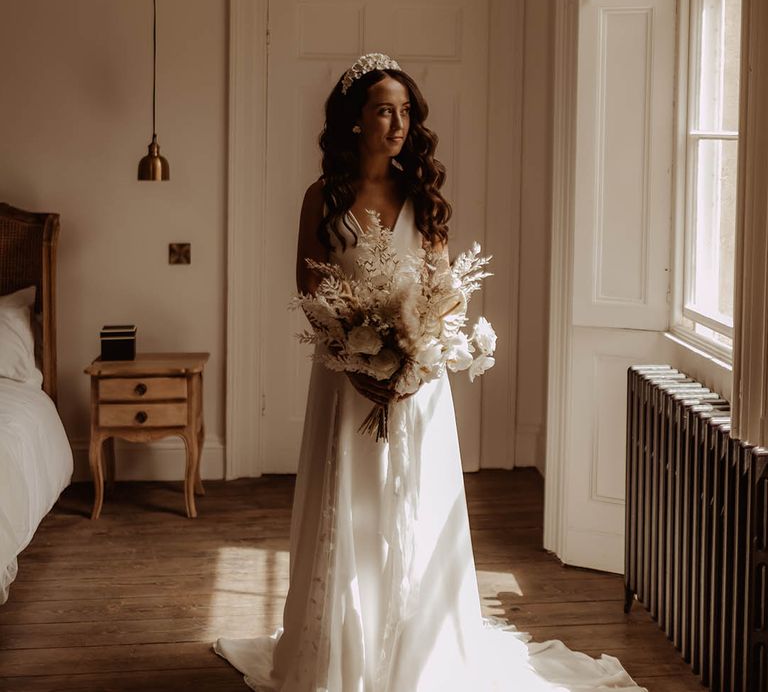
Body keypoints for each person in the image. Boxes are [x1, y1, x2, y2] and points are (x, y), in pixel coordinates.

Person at [215, 52, 645, 692]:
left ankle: (420, 651)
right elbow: (309, 290)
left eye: (405, 111)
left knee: (414, 504)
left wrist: (416, 354)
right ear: (354, 120)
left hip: (419, 380)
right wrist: (354, 356)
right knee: (351, 504)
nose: (397, 123)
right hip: (345, 379)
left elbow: (444, 292)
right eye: (383, 110)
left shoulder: (423, 196)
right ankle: (341, 653)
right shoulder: (322, 197)